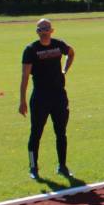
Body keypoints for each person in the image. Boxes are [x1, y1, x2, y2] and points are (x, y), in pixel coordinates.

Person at [19, 18, 75, 179]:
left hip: (59, 96)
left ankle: (62, 166)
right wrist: (22, 101)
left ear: (52, 30)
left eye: (46, 28)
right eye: (40, 29)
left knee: (61, 133)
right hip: (40, 98)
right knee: (36, 133)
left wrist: (64, 70)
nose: (43, 31)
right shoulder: (31, 50)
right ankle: (33, 167)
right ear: (37, 32)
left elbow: (71, 53)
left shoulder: (59, 45)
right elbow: (25, 77)